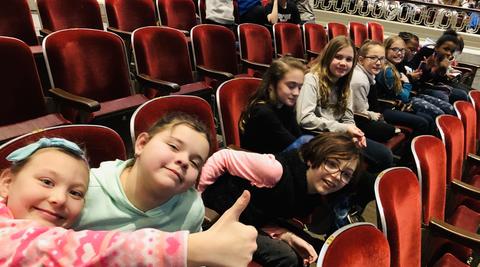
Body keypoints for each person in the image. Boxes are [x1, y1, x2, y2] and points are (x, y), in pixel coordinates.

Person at [0, 137, 258, 266]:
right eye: (46, 182)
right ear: (7, 182)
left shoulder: (191, 206)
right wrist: (191, 249)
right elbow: (75, 249)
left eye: (76, 193)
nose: (58, 199)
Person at [200, 132, 363, 267]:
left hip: (254, 218)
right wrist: (196, 197)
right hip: (220, 214)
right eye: (332, 164)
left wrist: (286, 235)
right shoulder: (275, 171)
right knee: (288, 257)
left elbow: (267, 212)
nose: (336, 177)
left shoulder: (313, 193)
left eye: (346, 174)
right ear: (312, 159)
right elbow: (223, 156)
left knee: (317, 246)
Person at [73, 113, 207, 232]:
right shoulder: (83, 192)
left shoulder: (191, 208)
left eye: (194, 163)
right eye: (173, 146)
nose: (184, 161)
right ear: (142, 144)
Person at [295, 36, 393, 173]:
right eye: (338, 57)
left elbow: (348, 118)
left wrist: (354, 133)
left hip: (338, 135)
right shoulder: (311, 79)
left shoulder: (345, 84)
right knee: (380, 157)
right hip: (317, 136)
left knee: (384, 154)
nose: (343, 63)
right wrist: (344, 129)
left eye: (348, 59)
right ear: (328, 57)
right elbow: (305, 119)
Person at [375, 36, 454, 135]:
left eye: (402, 50)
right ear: (385, 49)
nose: (399, 53)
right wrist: (408, 82)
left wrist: (422, 72)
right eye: (395, 49)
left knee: (439, 113)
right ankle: (415, 149)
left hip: (401, 100)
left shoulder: (398, 64)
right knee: (427, 120)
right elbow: (404, 96)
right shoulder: (388, 69)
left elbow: (409, 85)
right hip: (388, 105)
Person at [240, 57, 312, 154]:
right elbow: (295, 146)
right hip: (260, 164)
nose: (296, 93)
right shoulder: (263, 112)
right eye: (291, 86)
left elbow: (298, 138)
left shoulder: (285, 106)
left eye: (300, 87)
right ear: (272, 84)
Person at [350, 40, 398, 143]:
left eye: (382, 59)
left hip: (366, 114)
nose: (378, 63)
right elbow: (359, 112)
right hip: (355, 120)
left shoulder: (369, 74)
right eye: (373, 58)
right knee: (389, 131)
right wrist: (375, 116)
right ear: (361, 60)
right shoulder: (359, 80)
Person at [407, 29, 469, 103]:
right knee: (460, 95)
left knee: (468, 91)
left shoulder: (443, 58)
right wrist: (428, 68)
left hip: (434, 84)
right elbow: (420, 79)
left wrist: (443, 71)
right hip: (419, 86)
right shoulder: (426, 52)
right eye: (446, 49)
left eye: (452, 51)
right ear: (436, 47)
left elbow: (440, 80)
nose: (449, 53)